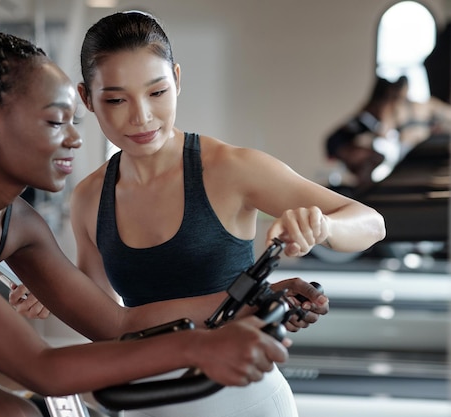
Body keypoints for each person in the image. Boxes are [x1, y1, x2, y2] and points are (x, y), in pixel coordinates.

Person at [0, 12, 294, 417]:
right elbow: (42, 369)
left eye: (74, 121)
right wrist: (198, 346)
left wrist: (247, 298)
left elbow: (115, 325)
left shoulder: (18, 225)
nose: (73, 139)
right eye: (55, 121)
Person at [64, 10, 384, 417]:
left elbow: (371, 222)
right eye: (116, 99)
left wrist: (323, 225)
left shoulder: (229, 169)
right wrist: (54, 293)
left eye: (157, 92)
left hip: (246, 401)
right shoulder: (88, 199)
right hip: (146, 407)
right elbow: (106, 329)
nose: (141, 116)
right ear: (87, 98)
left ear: (177, 80)